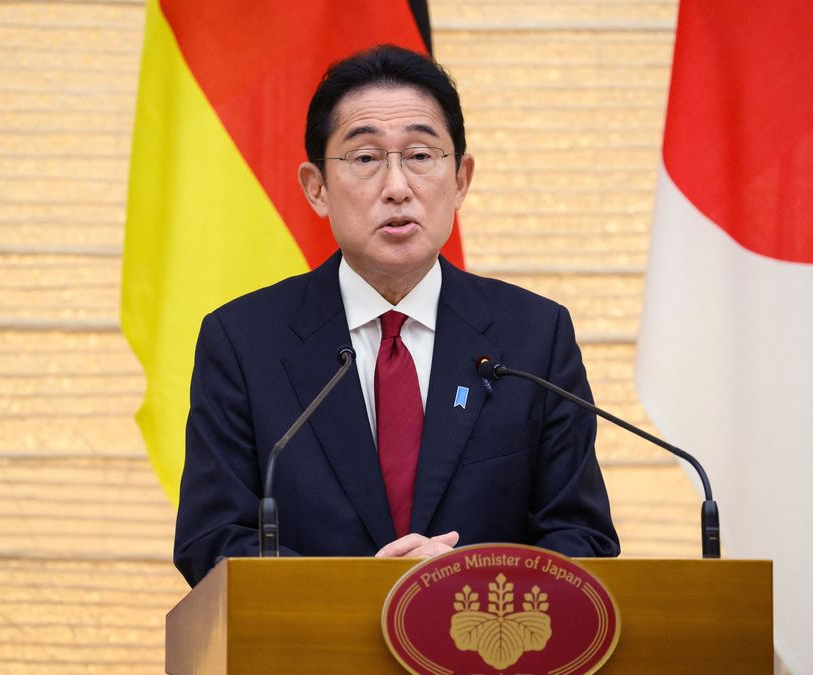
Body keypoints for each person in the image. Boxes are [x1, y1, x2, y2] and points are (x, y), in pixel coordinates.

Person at [174, 45, 619, 586]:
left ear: (460, 180)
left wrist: (463, 586)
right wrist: (360, 592)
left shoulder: (534, 337)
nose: (397, 187)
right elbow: (212, 537)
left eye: (421, 155)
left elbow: (581, 536)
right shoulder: (244, 341)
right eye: (365, 158)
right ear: (316, 188)